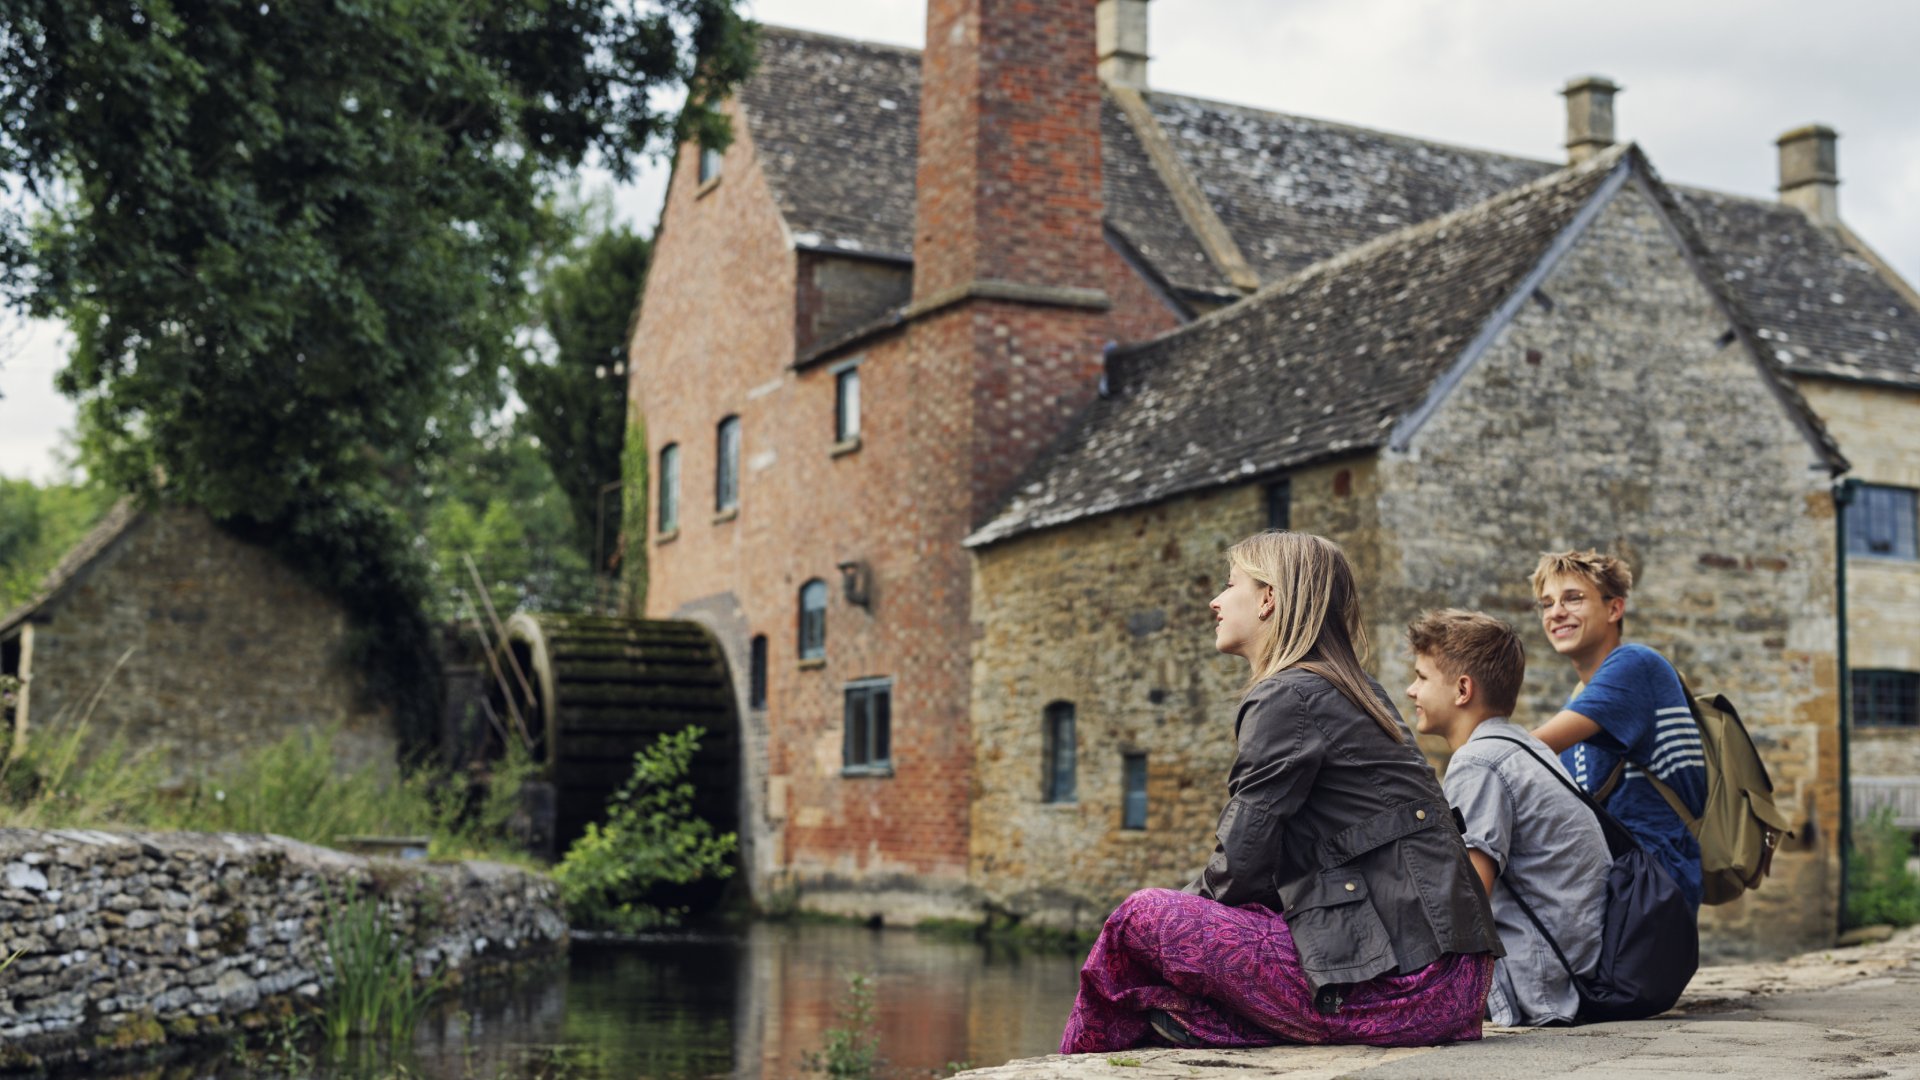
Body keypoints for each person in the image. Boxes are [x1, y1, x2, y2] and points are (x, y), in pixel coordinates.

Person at [1059, 531, 1501, 1054]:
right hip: (1454, 982)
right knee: (1183, 971)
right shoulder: (1350, 687)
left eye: (1229, 586)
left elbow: (1238, 865)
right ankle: (1195, 1027)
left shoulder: (1288, 695)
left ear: (1269, 598)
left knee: (1138, 920)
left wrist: (1179, 920)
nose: (1215, 601)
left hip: (1406, 987)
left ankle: (1080, 1058)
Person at [1406, 609, 1610, 1026]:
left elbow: (1466, 898)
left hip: (1532, 981)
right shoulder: (1524, 747)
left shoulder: (1480, 762)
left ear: (1463, 689)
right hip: (1572, 966)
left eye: (1422, 677)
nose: (1411, 690)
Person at [1524, 550, 1707, 910]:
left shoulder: (1635, 665)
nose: (1556, 612)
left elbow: (1525, 749)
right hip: (1623, 877)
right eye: (1546, 604)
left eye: (1573, 598)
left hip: (1650, 880)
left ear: (1614, 609)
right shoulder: (1580, 700)